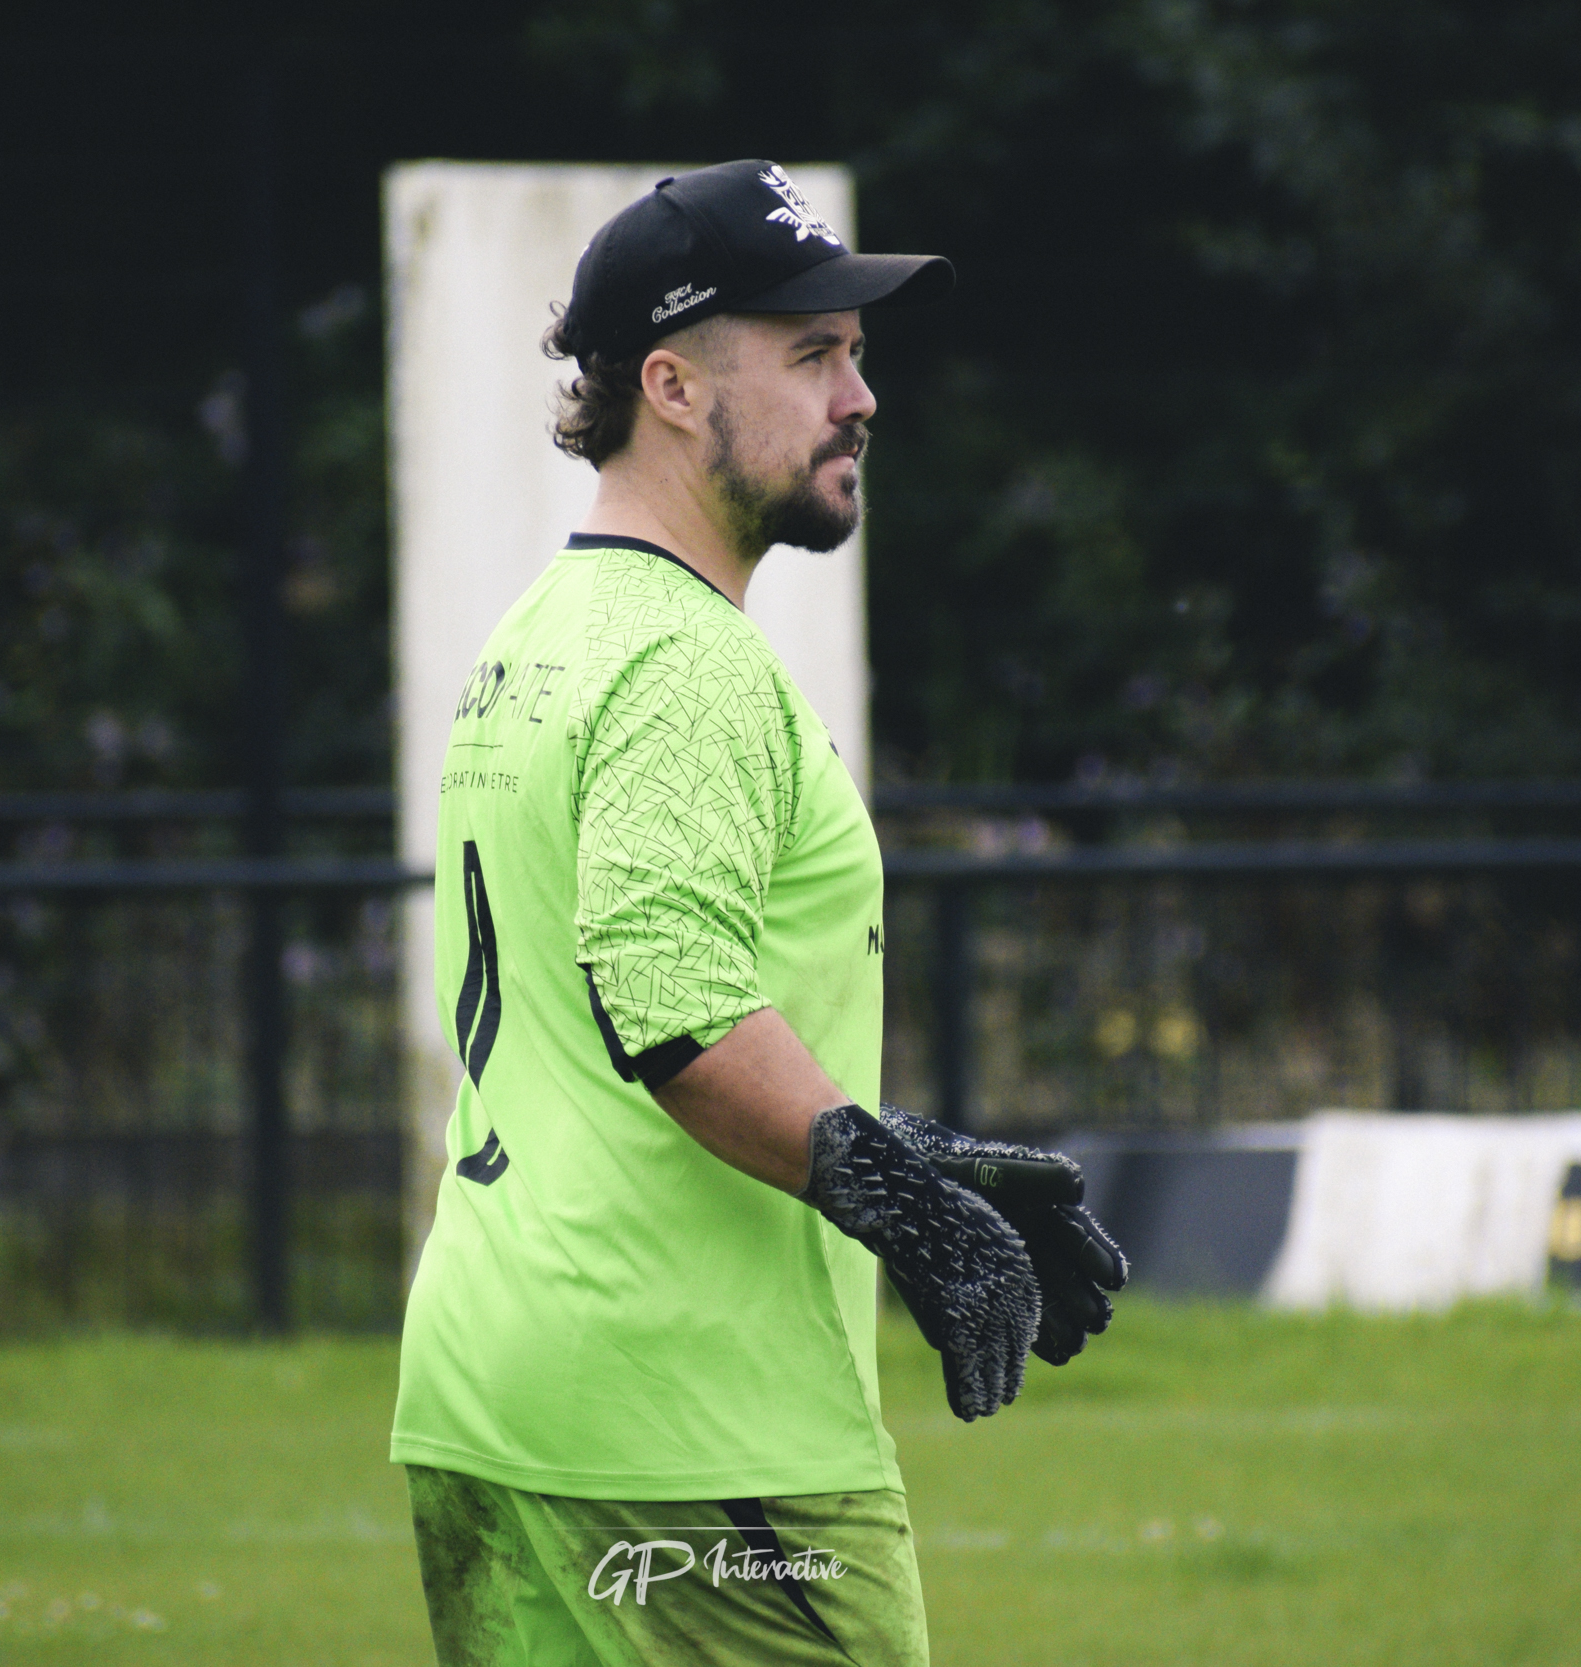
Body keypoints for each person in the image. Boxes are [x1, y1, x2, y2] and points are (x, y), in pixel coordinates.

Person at [390, 159, 1126, 1667]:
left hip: (491, 1391)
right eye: (811, 355)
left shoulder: (542, 639)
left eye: (855, 353)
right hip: (689, 1431)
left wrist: (915, 1156)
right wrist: (900, 1190)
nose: (859, 396)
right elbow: (669, 1001)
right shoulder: (686, 666)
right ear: (669, 383)